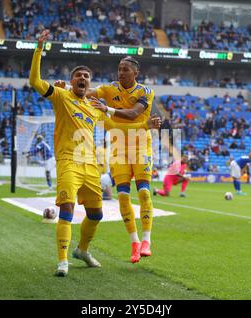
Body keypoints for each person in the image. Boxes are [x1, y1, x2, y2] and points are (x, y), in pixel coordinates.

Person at [29, 29, 161, 276]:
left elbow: (121, 122)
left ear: (90, 84)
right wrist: (39, 50)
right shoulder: (61, 96)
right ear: (72, 81)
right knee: (67, 208)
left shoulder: (95, 106)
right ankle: (63, 261)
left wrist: (145, 125)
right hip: (68, 161)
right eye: (78, 75)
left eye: (86, 76)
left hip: (91, 165)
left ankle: (82, 250)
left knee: (96, 213)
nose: (83, 78)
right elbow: (35, 82)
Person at [55, 56, 156, 264]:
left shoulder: (145, 91)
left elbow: (133, 113)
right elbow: (86, 91)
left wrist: (107, 110)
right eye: (119, 69)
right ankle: (135, 243)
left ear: (135, 73)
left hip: (140, 145)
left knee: (144, 192)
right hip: (118, 146)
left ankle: (146, 240)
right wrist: (64, 85)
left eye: (125, 70)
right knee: (123, 197)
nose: (121, 73)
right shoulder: (109, 88)